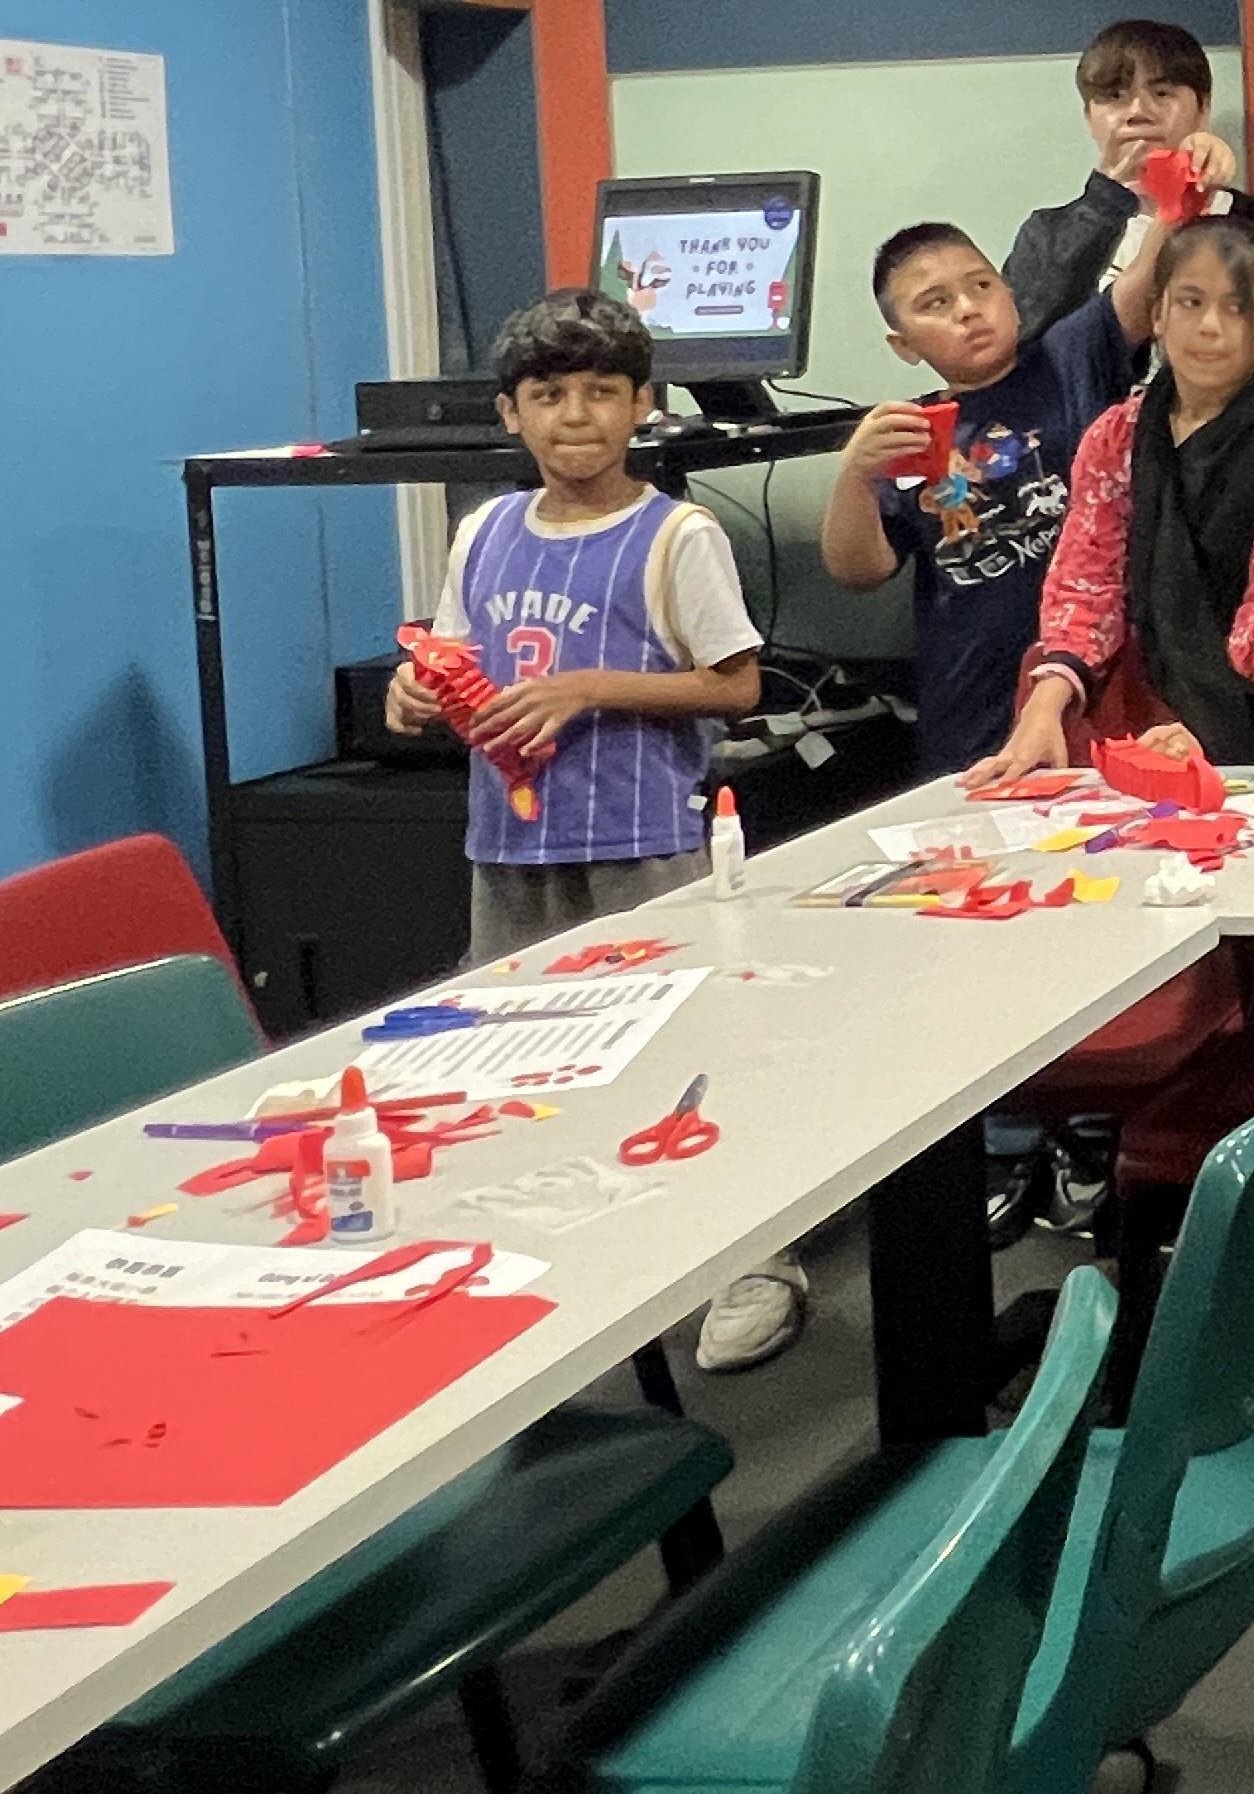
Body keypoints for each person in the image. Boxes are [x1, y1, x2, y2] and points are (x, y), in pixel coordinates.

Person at [384, 288, 798, 1373]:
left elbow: (738, 684)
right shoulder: (482, 531)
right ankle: (561, 1264)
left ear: (642, 406)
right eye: (550, 395)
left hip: (641, 842)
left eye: (603, 393)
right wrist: (414, 692)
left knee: (687, 1056)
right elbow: (455, 658)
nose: (577, 417)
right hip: (511, 847)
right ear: (511, 413)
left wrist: (591, 688)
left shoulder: (678, 535)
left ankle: (755, 1259)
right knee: (514, 1066)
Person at [978, 216, 1254, 779]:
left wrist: (1208, 727)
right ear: (1158, 312)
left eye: (1236, 307)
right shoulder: (1115, 435)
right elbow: (1086, 577)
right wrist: (1049, 694)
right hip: (1130, 683)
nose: (1210, 326)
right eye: (1190, 302)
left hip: (1246, 700)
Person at [818, 221, 1160, 774]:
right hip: (971, 708)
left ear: (1011, 298)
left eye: (982, 286)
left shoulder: (1068, 360)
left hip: (1099, 681)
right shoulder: (908, 431)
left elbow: (1146, 285)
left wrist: (1172, 199)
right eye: (935, 302)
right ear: (903, 345)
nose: (967, 309)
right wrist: (855, 474)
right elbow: (860, 570)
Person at [1001, 18, 1254, 341]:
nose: (1138, 111)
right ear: (1089, 117)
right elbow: (1021, 346)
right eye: (1115, 95)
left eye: (1162, 93)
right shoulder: (1047, 235)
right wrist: (1100, 205)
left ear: (1203, 109)